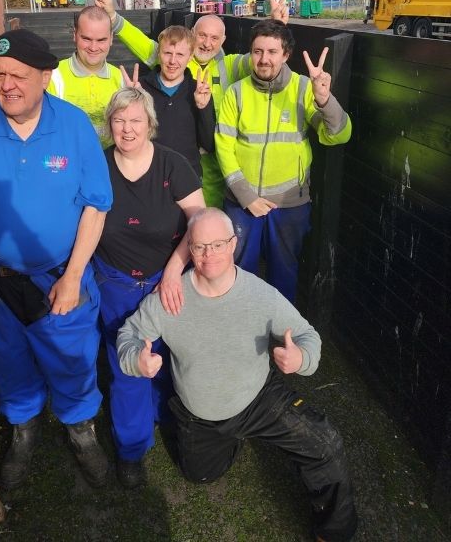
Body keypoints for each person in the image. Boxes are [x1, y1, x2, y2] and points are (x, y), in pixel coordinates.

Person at [0, 29, 113, 490]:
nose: (7, 85)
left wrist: (73, 277)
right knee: (6, 359)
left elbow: (96, 207)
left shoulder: (74, 126)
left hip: (59, 278)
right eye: (0, 74)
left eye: (19, 75)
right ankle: (25, 427)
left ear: (46, 77)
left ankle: (80, 429)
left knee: (73, 360)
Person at [116, 208, 357, 542]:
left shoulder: (261, 295)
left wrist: (301, 358)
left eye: (218, 244)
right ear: (190, 249)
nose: (209, 254)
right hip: (201, 412)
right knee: (200, 475)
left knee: (325, 443)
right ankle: (227, 438)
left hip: (258, 398)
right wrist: (136, 362)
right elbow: (128, 335)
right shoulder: (170, 297)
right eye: (200, 247)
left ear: (233, 244)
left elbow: (308, 336)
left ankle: (334, 533)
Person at [93, 0, 290, 207]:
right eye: (202, 36)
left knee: (208, 214)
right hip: (180, 157)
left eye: (214, 38)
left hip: (216, 159)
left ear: (223, 40)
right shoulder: (175, 55)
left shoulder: (231, 65)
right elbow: (135, 38)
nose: (207, 43)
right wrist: (111, 14)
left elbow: (263, 57)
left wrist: (276, 26)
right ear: (192, 35)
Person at [94, 87, 205, 488]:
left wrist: (174, 271)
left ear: (150, 125)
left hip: (166, 281)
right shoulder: (97, 165)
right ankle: (131, 448)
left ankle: (171, 419)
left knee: (172, 358)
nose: (127, 129)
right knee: (128, 366)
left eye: (136, 120)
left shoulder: (173, 164)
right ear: (109, 125)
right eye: (119, 120)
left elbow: (199, 222)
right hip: (116, 283)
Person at [215, 19, 351, 304]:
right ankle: (243, 327)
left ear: (286, 54)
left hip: (289, 204)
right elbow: (224, 147)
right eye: (257, 51)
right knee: (238, 274)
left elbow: (338, 135)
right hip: (242, 203)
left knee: (284, 273)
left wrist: (325, 99)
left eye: (272, 52)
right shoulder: (236, 92)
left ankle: (281, 328)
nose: (263, 59)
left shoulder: (303, 89)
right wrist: (247, 197)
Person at [135, 25, 214, 179]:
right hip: (148, 175)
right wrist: (133, 102)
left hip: (187, 177)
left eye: (180, 55)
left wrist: (203, 108)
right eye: (167, 53)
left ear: (190, 57)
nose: (172, 61)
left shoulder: (199, 91)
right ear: (159, 53)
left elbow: (209, 145)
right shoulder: (141, 87)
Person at [46, 5, 123, 147]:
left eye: (101, 40)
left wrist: (138, 104)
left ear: (111, 38)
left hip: (109, 160)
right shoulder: (52, 76)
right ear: (74, 35)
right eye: (86, 39)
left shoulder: (121, 78)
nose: (93, 47)